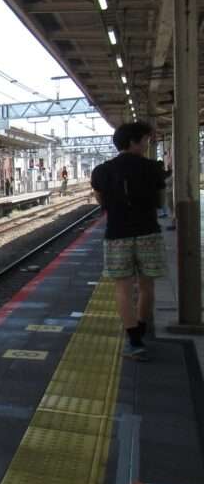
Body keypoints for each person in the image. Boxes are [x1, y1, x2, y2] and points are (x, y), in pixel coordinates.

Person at [91, 121, 168, 360]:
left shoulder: (102, 171)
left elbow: (100, 202)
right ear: (134, 141)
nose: (147, 144)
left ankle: (134, 342)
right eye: (145, 140)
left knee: (123, 289)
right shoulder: (153, 168)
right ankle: (142, 331)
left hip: (117, 235)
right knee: (147, 287)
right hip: (148, 233)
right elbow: (161, 203)